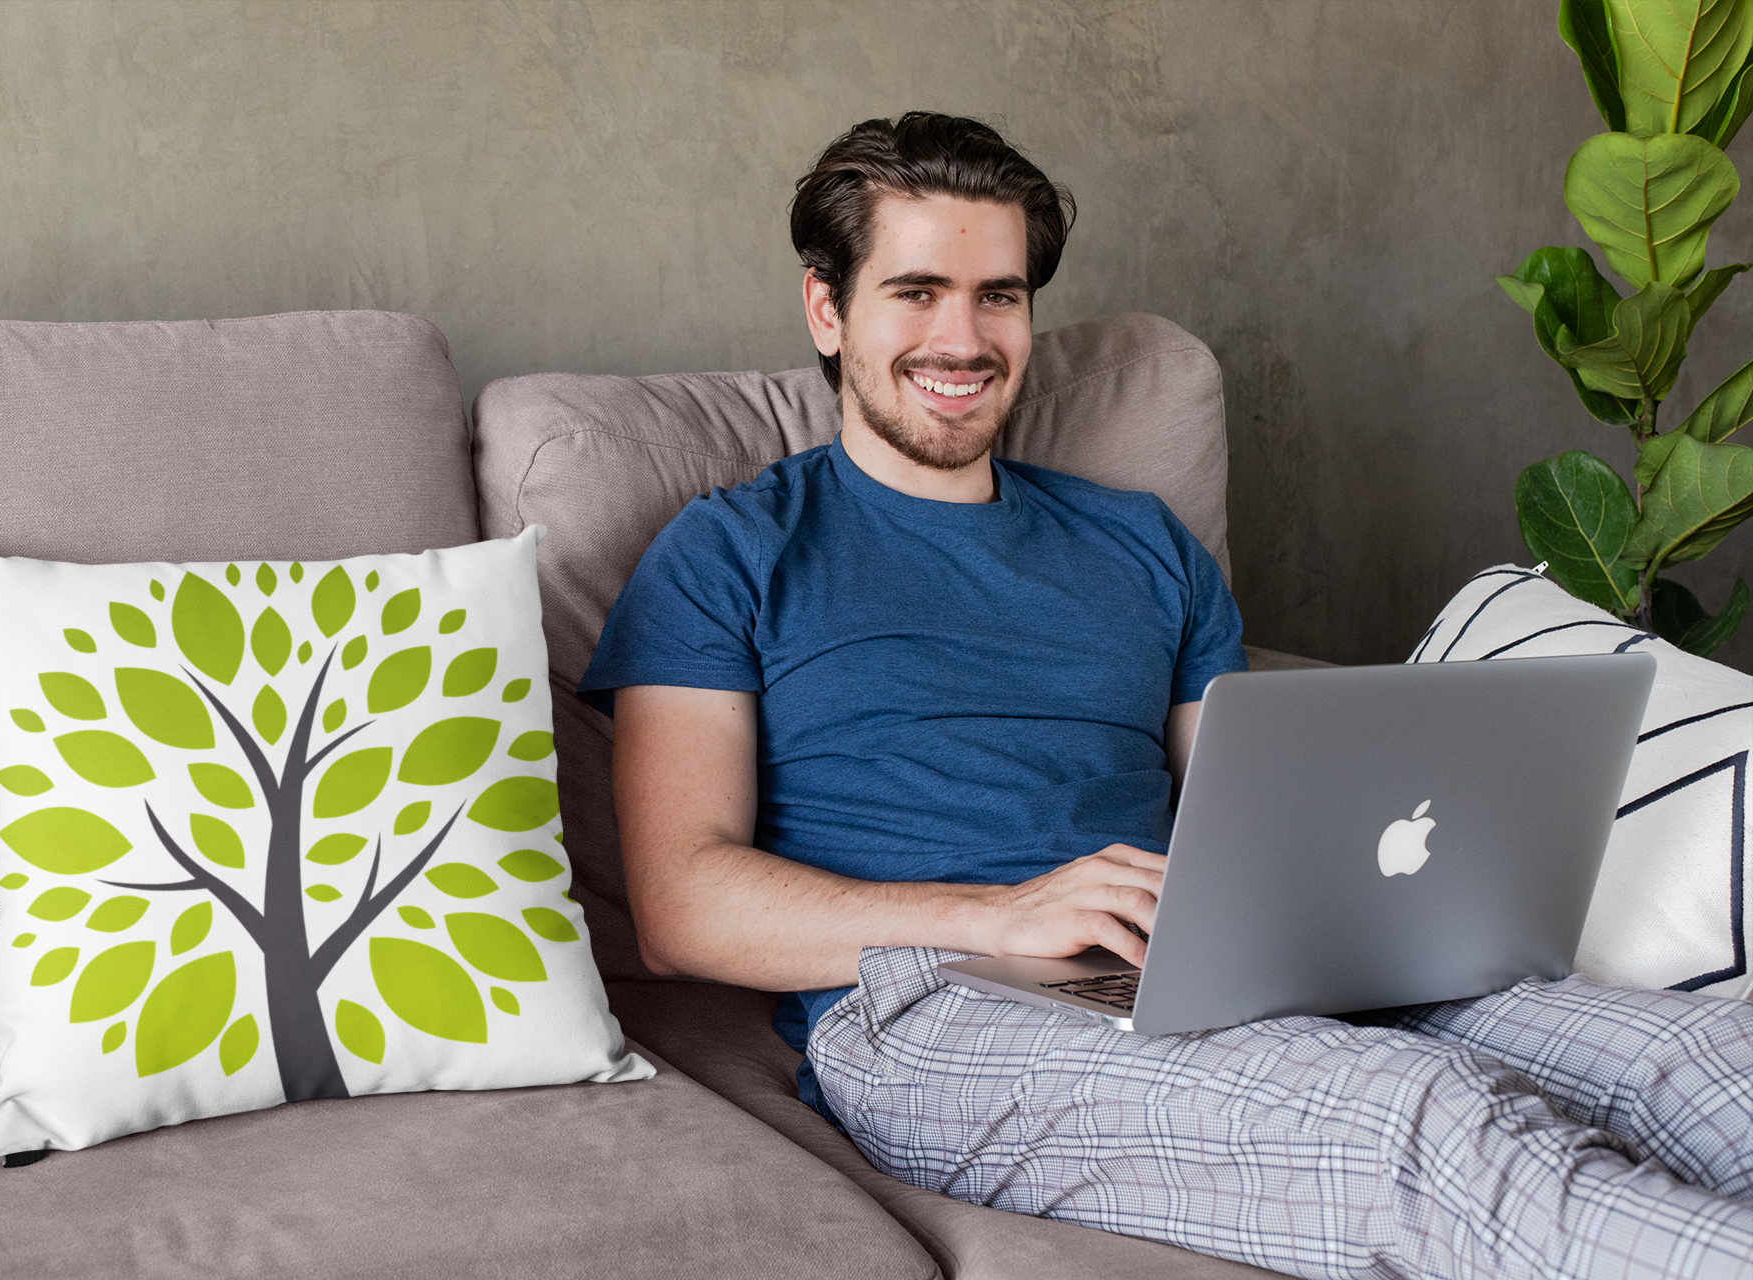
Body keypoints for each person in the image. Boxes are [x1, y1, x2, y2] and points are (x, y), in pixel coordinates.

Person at [578, 112, 1753, 1279]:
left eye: (999, 295)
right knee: (1429, 1129)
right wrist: (998, 915)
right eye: (917, 291)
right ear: (828, 309)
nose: (964, 336)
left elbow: (1263, 806)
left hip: (1198, 958)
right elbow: (684, 907)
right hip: (930, 1004)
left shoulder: (1139, 543)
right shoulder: (732, 551)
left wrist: (1369, 917)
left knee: (1706, 1065)